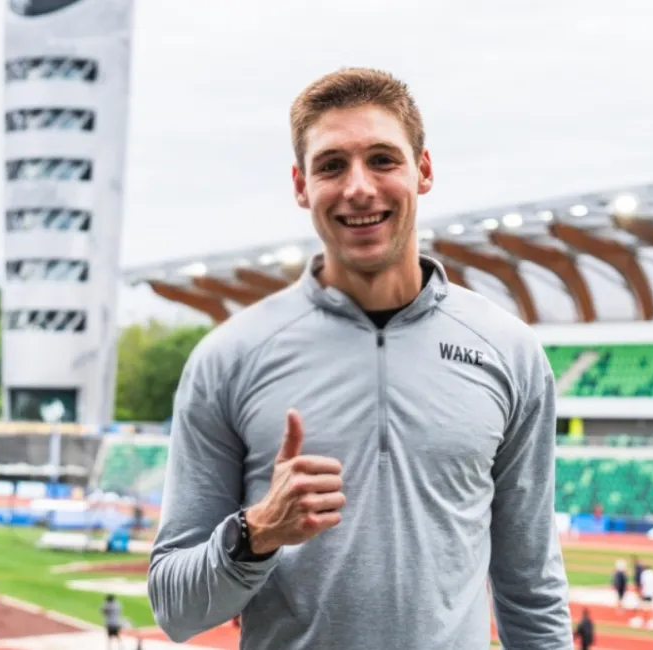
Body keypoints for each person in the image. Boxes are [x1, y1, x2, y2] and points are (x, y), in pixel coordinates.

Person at [146, 67, 572, 649]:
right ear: (301, 185)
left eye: (382, 159)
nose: (359, 188)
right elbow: (175, 610)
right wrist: (257, 532)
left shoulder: (510, 351)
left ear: (423, 170)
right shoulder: (229, 359)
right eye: (331, 165)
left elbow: (532, 590)